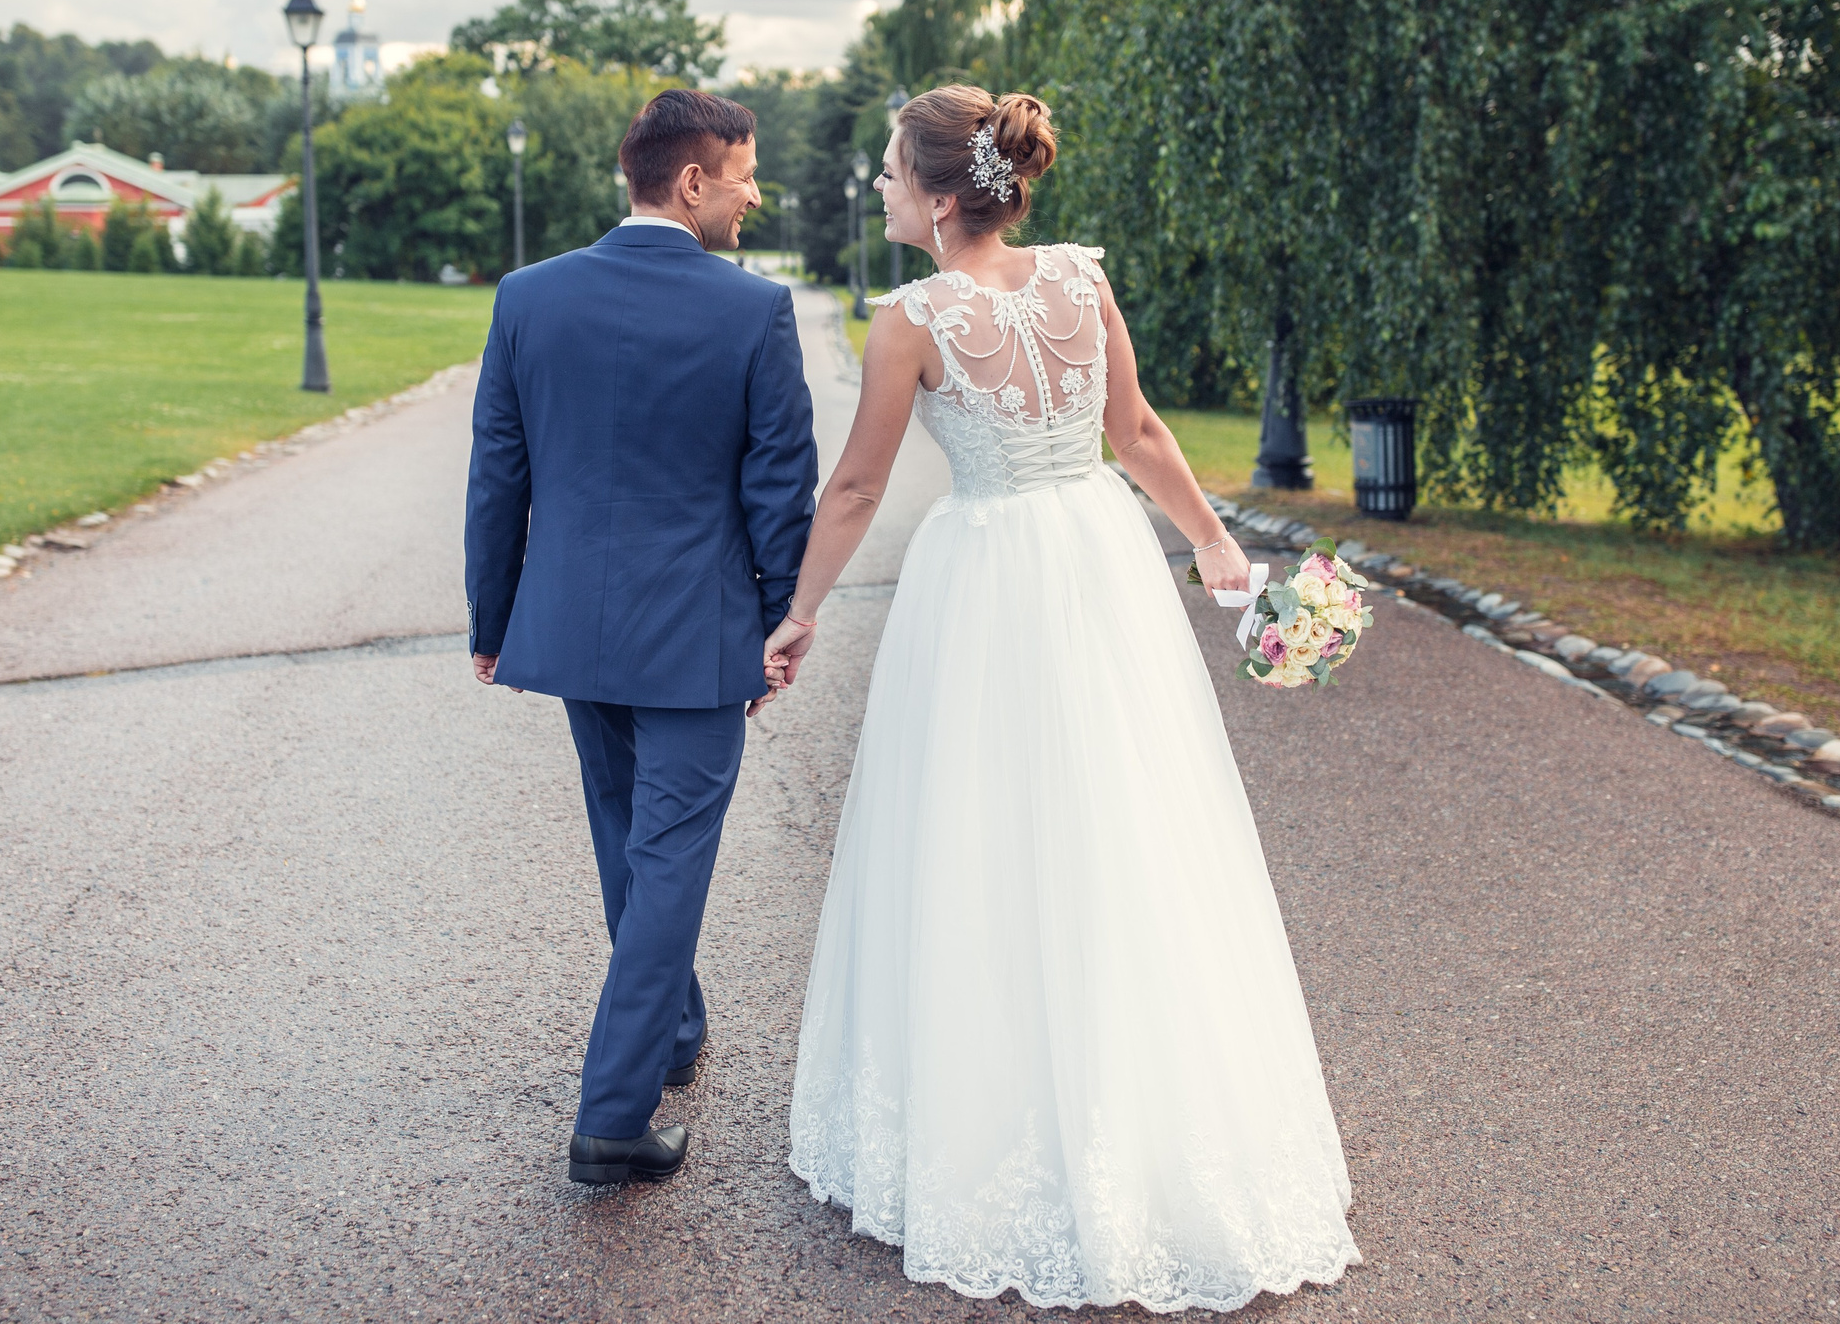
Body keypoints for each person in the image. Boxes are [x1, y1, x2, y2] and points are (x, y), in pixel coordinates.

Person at [763, 87, 1361, 1310]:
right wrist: (1207, 540)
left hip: (984, 575)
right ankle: (1141, 1115)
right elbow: (1132, 430)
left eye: (885, 171)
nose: (874, 188)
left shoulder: (913, 319)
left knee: (980, 837)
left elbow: (857, 492)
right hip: (1096, 557)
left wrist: (802, 610)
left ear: (939, 195)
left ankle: (1004, 1124)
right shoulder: (1079, 283)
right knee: (1125, 820)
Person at [465, 87, 817, 1186]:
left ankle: (667, 1029)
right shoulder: (750, 312)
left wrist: (493, 617)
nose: (756, 194)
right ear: (693, 180)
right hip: (696, 636)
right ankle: (612, 1116)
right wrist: (777, 621)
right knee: (666, 861)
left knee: (630, 839)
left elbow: (497, 478)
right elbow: (779, 489)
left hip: (572, 625)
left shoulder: (528, 298)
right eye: (746, 173)